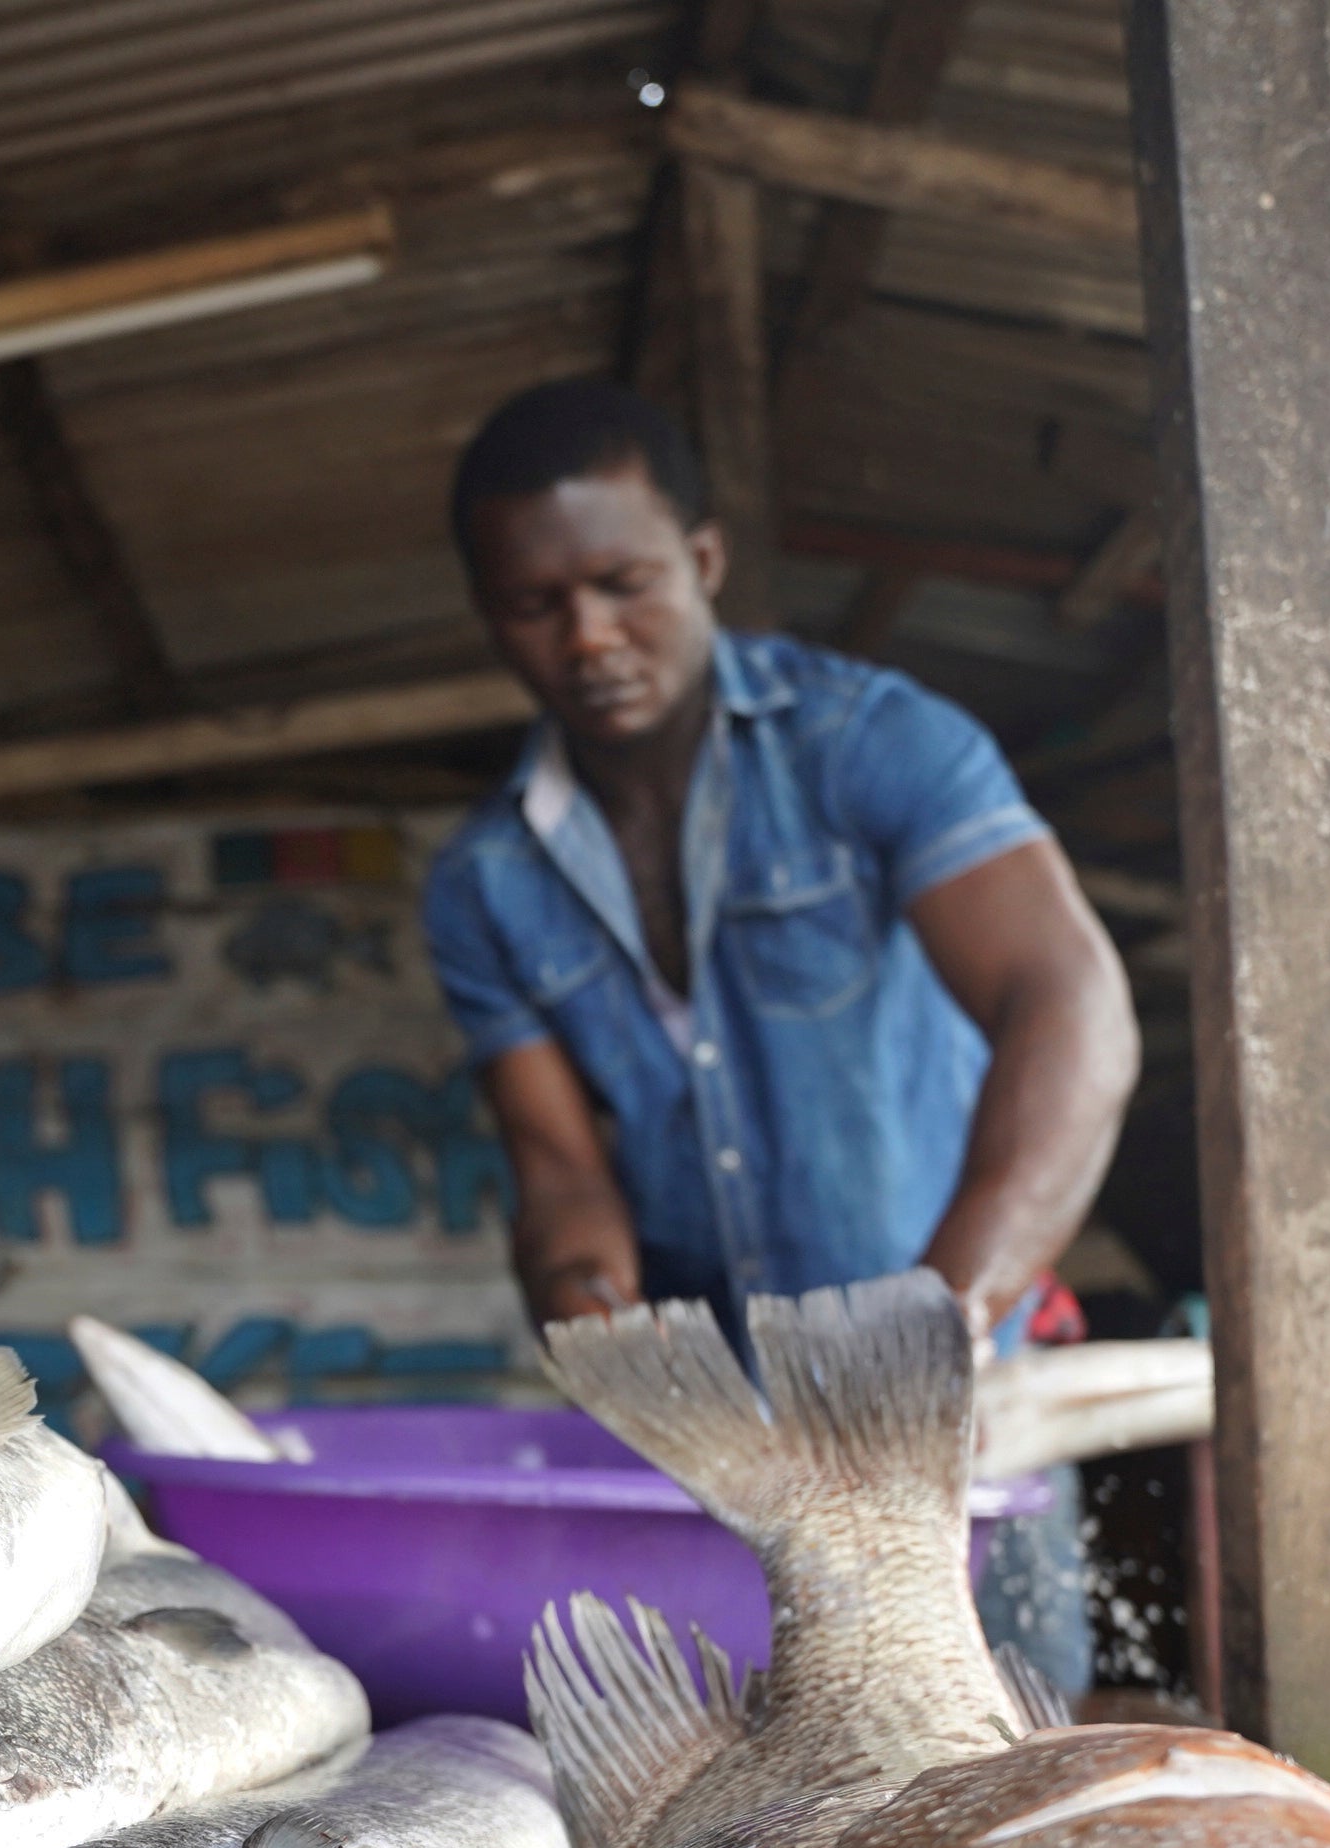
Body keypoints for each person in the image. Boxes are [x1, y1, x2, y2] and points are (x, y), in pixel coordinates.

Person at [422, 378, 1138, 1691]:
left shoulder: (871, 744)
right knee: (773, 1789)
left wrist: (944, 1321)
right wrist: (601, 1323)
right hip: (734, 1451)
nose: (587, 636)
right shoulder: (484, 885)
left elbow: (1068, 1001)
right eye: (536, 605)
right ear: (491, 615)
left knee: (1020, 1764)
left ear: (701, 561)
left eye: (623, 582)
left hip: (972, 1406)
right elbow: (563, 1172)